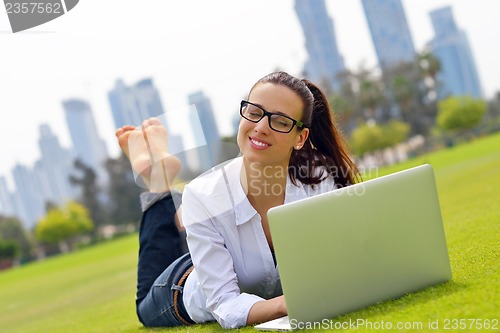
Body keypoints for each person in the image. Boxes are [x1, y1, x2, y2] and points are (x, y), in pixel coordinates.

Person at [115, 71, 360, 329]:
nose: (261, 127)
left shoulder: (321, 179)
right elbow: (226, 306)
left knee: (193, 224)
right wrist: (287, 303)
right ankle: (157, 182)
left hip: (219, 253)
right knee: (144, 306)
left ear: (300, 138)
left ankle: (161, 178)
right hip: (187, 284)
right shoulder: (203, 194)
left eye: (280, 121)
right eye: (254, 113)